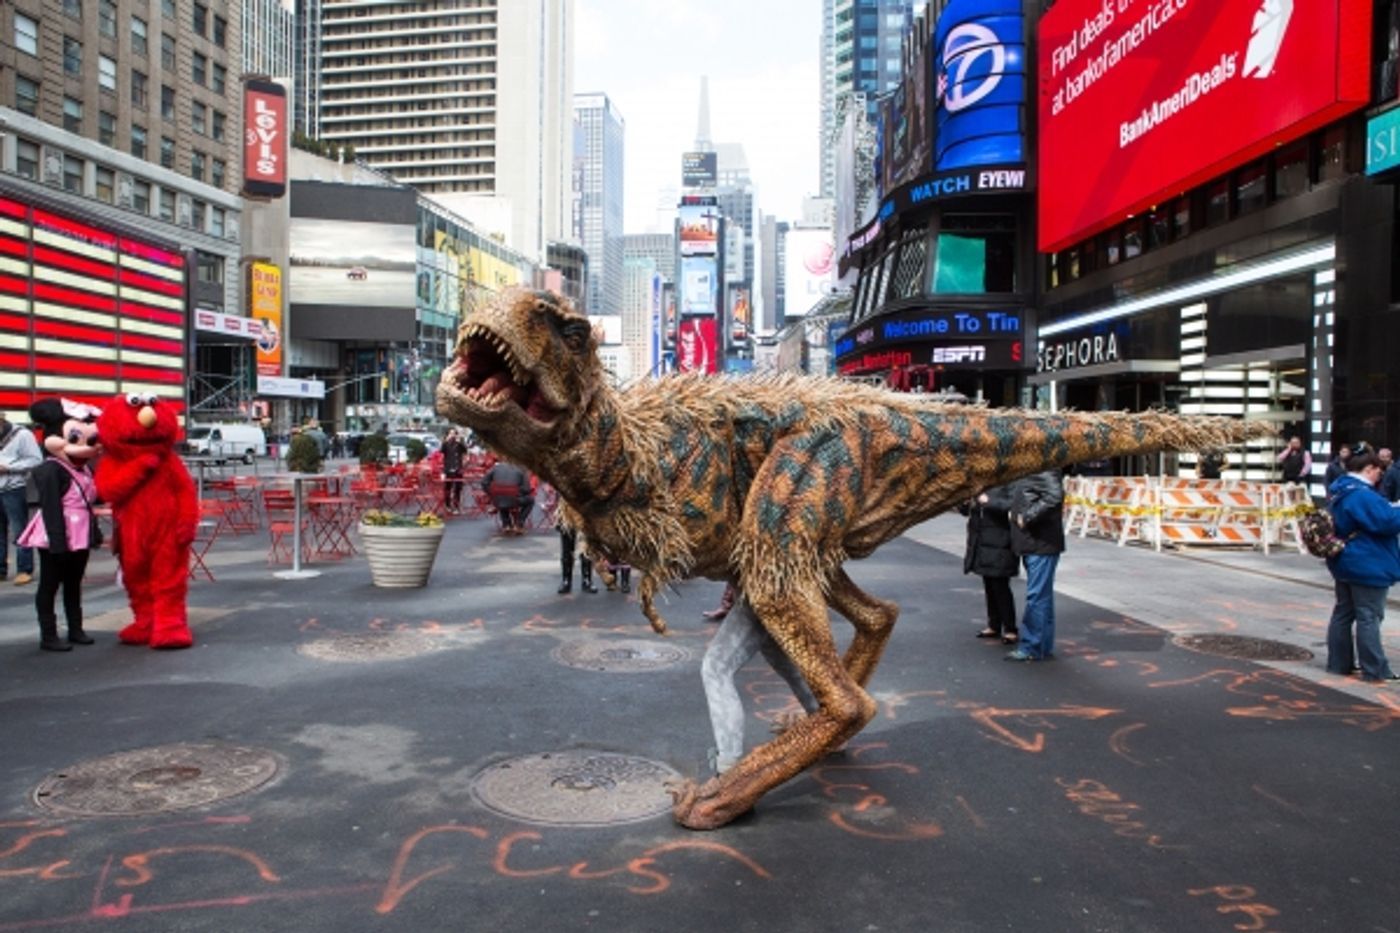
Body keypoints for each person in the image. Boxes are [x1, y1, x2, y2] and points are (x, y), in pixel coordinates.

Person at [699, 588, 820, 774]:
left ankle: (728, 768)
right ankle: (827, 722)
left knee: (716, 668)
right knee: (785, 664)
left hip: (761, 590)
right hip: (779, 589)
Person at [18, 399, 101, 651]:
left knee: (74, 582)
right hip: (56, 533)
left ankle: (75, 629)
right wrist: (57, 540)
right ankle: (49, 634)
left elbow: (93, 500)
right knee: (50, 584)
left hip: (80, 532)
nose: (85, 447)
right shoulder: (50, 469)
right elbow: (51, 507)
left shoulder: (85, 469)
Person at [1323, 451, 1400, 683]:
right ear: (1368, 469)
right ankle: (1375, 669)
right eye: (1378, 471)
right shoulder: (1362, 495)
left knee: (1343, 613)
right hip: (1368, 562)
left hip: (1345, 561)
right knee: (1369, 616)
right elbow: (1385, 522)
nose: (1380, 476)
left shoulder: (1341, 491)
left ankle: (1339, 663)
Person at [1006, 469, 1065, 663]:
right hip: (1036, 542)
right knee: (1042, 597)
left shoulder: (1043, 467)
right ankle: (1041, 645)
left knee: (1037, 596)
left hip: (1040, 542)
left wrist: (1027, 517)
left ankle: (1032, 646)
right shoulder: (1034, 467)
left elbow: (1055, 495)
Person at [960, 484, 1019, 645]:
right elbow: (966, 512)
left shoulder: (1010, 482)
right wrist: (965, 503)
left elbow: (1010, 505)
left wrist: (987, 501)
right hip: (982, 540)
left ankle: (1010, 628)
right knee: (988, 583)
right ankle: (994, 624)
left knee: (1000, 585)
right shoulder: (982, 484)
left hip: (999, 540)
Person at [0, 412, 42, 586]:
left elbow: (36, 460)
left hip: (15, 487)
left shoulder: (22, 435)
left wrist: (9, 467)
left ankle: (24, 569)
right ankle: (1, 570)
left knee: (20, 530)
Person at [481, 459, 534, 533]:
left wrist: (490, 493)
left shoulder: (496, 468)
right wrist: (518, 493)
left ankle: (506, 524)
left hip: (497, 500)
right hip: (513, 500)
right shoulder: (520, 470)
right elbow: (526, 489)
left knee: (502, 496)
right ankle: (519, 524)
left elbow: (483, 482)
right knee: (531, 500)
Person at [556, 523, 597, 594]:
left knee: (585, 546)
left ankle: (586, 579)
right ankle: (566, 580)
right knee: (567, 548)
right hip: (567, 515)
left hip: (584, 516)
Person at [440, 428, 469, 513]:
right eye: (451, 433)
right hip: (448, 468)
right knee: (447, 488)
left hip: (458, 468)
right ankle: (447, 505)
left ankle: (456, 506)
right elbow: (441, 451)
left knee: (457, 489)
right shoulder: (446, 444)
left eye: (454, 433)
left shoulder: (458, 444)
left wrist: (460, 441)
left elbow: (465, 450)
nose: (452, 435)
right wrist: (446, 441)